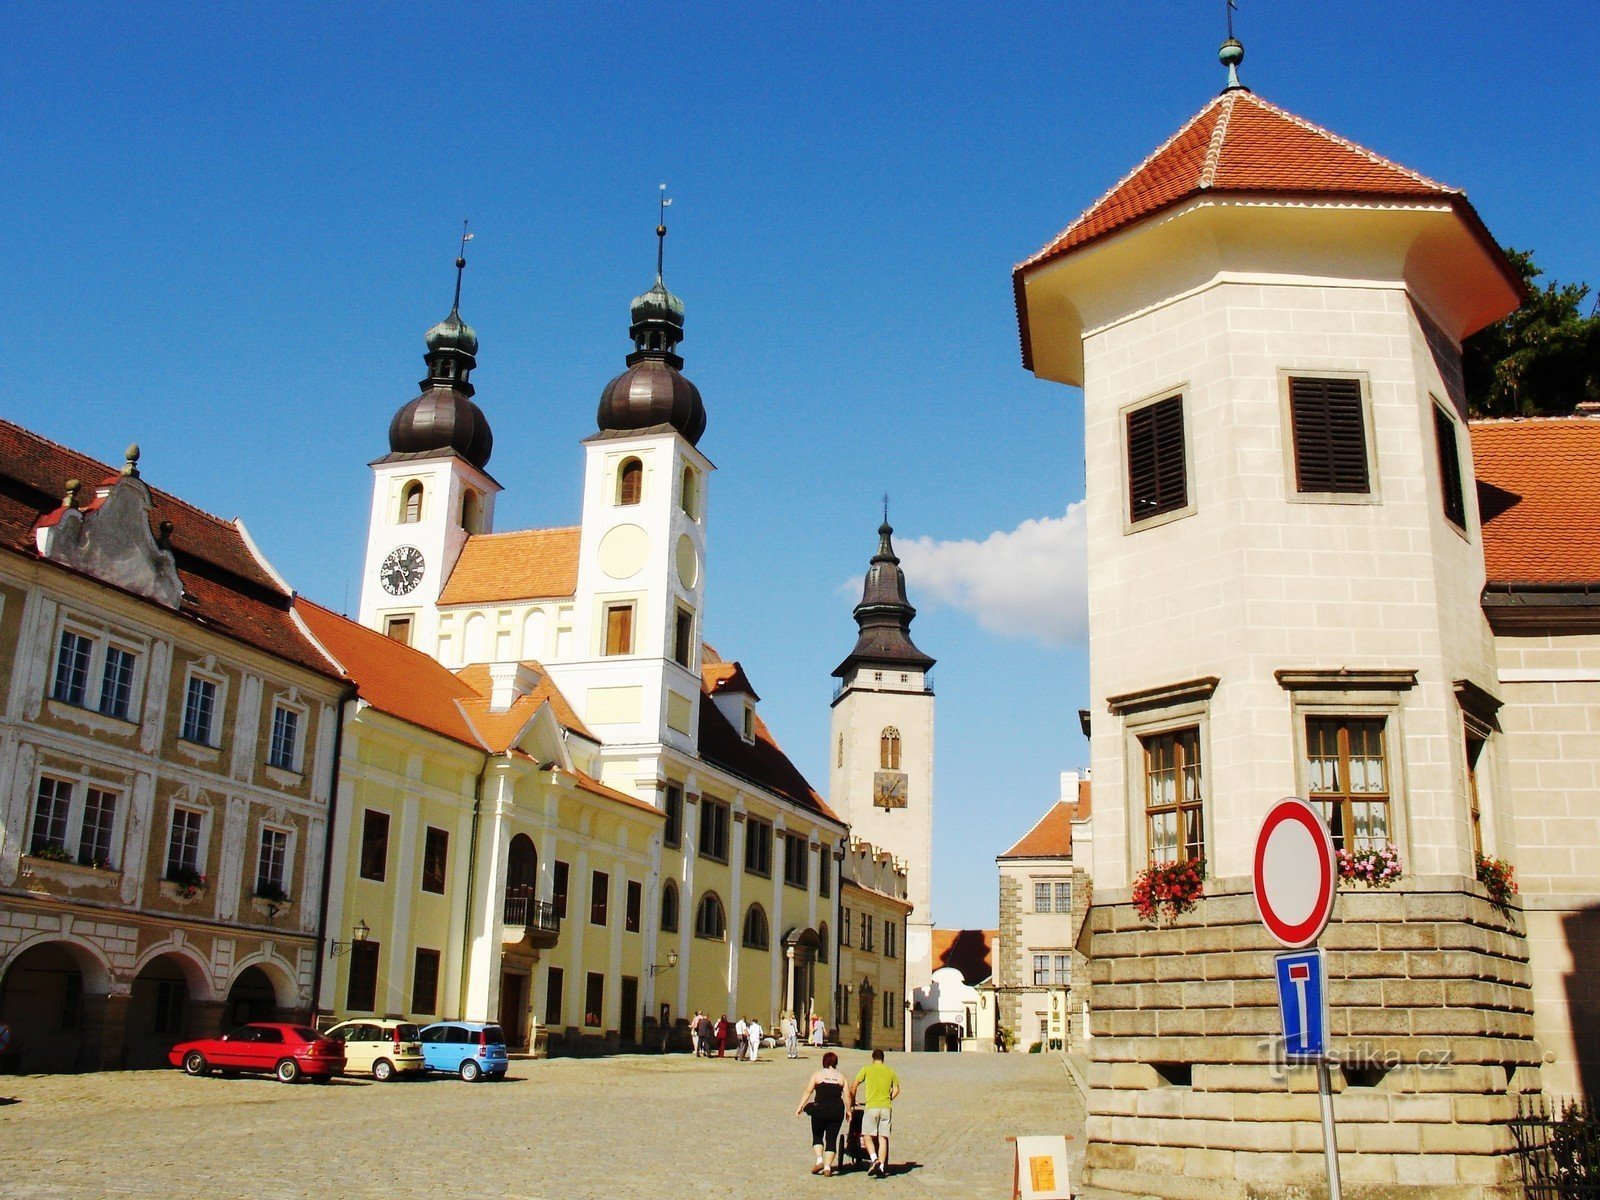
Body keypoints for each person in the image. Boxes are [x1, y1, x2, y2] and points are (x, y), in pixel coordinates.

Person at [795, 1050, 851, 1176]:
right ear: (836, 1062)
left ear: (824, 1062)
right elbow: (847, 1095)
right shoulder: (841, 1077)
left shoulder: (817, 1075)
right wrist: (849, 1111)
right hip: (836, 1110)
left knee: (817, 1136)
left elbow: (808, 1091)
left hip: (820, 1109)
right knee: (831, 1139)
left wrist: (800, 1106)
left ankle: (819, 1160)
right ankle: (827, 1167)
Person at [853, 1048, 901, 1177]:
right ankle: (882, 1167)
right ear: (883, 1058)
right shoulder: (890, 1070)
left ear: (872, 1058)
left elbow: (854, 1084)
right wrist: (889, 1098)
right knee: (883, 1138)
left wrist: (852, 1099)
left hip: (871, 1106)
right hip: (886, 1107)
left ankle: (874, 1159)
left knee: (867, 1135)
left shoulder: (867, 1069)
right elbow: (896, 1089)